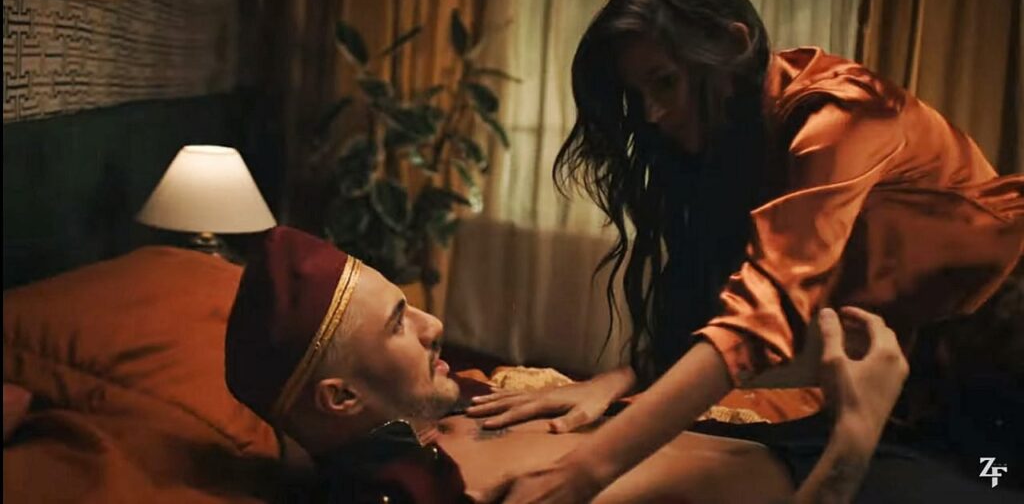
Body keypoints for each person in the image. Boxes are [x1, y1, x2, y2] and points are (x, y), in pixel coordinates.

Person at [469, 0, 1023, 502]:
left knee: (993, 482)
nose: (653, 113)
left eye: (665, 83)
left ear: (734, 43)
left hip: (1006, 340)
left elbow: (764, 312)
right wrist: (617, 380)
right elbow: (726, 304)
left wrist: (584, 471)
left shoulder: (843, 115)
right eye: (640, 96)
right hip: (917, 374)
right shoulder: (741, 135)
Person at [224, 226, 916, 503]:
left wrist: (613, 381)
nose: (434, 326)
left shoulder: (444, 407)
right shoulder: (426, 492)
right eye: (399, 324)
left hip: (804, 443)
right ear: (341, 398)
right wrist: (855, 435)